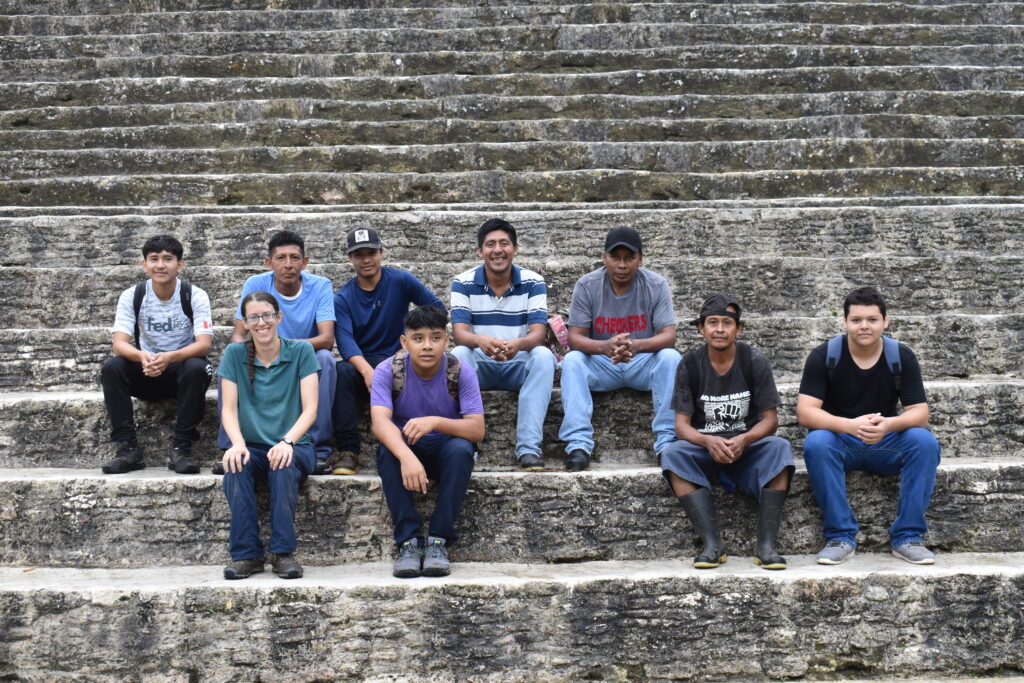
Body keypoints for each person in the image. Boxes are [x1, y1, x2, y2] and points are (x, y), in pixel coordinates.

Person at [796, 286, 941, 565]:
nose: (864, 326)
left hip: (884, 442)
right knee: (816, 442)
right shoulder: (825, 355)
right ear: (845, 322)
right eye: (857, 320)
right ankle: (840, 536)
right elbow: (805, 412)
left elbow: (920, 413)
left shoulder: (901, 356)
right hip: (841, 442)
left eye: (872, 319)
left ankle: (908, 536)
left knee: (924, 442)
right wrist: (848, 426)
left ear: (885, 321)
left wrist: (889, 425)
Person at [660, 294, 794, 570]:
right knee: (672, 454)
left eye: (727, 323)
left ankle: (766, 546)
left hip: (747, 448)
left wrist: (745, 439)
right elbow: (681, 426)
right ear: (701, 328)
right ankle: (712, 544)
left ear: (739, 328)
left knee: (780, 449)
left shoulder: (754, 360)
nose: (719, 329)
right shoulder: (689, 364)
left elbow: (770, 421)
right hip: (706, 449)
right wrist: (707, 441)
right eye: (712, 323)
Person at [370, 306, 484, 579]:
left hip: (446, 448)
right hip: (407, 447)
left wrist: (435, 421)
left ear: (446, 340)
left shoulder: (460, 371)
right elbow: (380, 423)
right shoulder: (388, 370)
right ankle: (408, 542)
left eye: (435, 337)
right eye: (418, 338)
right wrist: (407, 458)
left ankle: (438, 541)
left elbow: (477, 429)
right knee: (388, 450)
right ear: (404, 342)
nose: (427, 346)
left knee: (461, 449)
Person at [558, 226, 681, 471]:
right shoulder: (587, 285)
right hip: (603, 363)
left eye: (629, 258)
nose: (622, 265)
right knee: (572, 361)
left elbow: (669, 336)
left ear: (640, 259)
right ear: (605, 258)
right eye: (615, 257)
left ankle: (668, 443)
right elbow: (575, 337)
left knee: (671, 358)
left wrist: (637, 346)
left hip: (641, 361)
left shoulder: (656, 284)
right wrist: (604, 346)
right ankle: (578, 445)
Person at [215, 230, 336, 474]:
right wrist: (238, 350)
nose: (288, 264)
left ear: (305, 262)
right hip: (261, 353)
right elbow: (239, 333)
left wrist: (285, 350)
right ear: (269, 263)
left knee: (327, 360)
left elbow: (326, 339)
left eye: (294, 257)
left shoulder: (321, 286)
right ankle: (232, 446)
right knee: (231, 357)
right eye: (281, 258)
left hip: (302, 358)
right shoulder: (256, 284)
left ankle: (317, 448)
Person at [219, 291, 319, 580]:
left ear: (278, 317)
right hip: (252, 445)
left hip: (295, 445)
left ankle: (283, 552)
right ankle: (246, 554)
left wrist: (287, 441)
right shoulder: (234, 354)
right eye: (253, 317)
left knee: (284, 464)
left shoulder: (301, 351)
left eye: (266, 315)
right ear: (246, 323)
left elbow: (311, 409)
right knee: (235, 467)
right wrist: (237, 444)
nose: (261, 322)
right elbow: (228, 409)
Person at [333, 227, 446, 475]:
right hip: (366, 363)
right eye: (359, 254)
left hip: (402, 358)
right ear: (349, 258)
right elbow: (344, 339)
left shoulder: (400, 280)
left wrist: (413, 339)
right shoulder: (343, 298)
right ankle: (348, 450)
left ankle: (430, 442)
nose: (366, 260)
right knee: (340, 371)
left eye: (371, 253)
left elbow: (437, 309)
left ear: (381, 253)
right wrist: (366, 372)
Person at [101, 235, 213, 475]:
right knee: (112, 367)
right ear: (144, 264)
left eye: (167, 259)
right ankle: (127, 448)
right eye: (154, 259)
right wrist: (143, 357)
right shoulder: (132, 295)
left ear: (179, 265)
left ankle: (181, 448)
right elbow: (119, 344)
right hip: (146, 369)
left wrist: (170, 357)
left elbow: (204, 345)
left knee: (198, 367)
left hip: (180, 373)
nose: (160, 265)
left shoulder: (195, 295)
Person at [451, 218, 556, 471]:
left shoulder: (533, 282)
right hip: (481, 366)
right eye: (490, 244)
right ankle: (467, 446)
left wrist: (517, 345)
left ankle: (529, 449)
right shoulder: (463, 282)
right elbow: (460, 334)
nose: (497, 250)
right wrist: (480, 340)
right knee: (458, 354)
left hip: (517, 364)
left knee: (542, 355)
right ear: (480, 251)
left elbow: (538, 334)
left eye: (504, 243)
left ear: (515, 249)